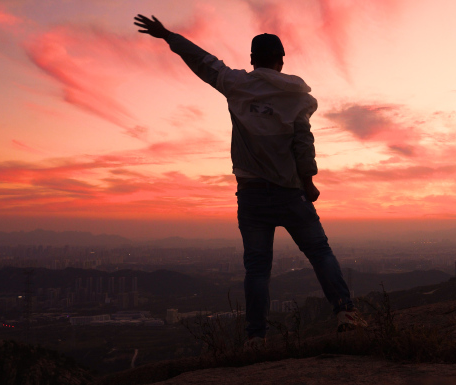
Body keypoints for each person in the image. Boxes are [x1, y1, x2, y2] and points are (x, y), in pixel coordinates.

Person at [134, 14, 365, 342]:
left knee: (258, 268)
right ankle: (345, 311)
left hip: (252, 194)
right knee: (319, 252)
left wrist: (168, 35)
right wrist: (309, 180)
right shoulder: (295, 92)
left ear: (254, 59)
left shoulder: (236, 84)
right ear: (280, 60)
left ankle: (257, 337)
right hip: (291, 192)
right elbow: (303, 140)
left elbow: (201, 60)